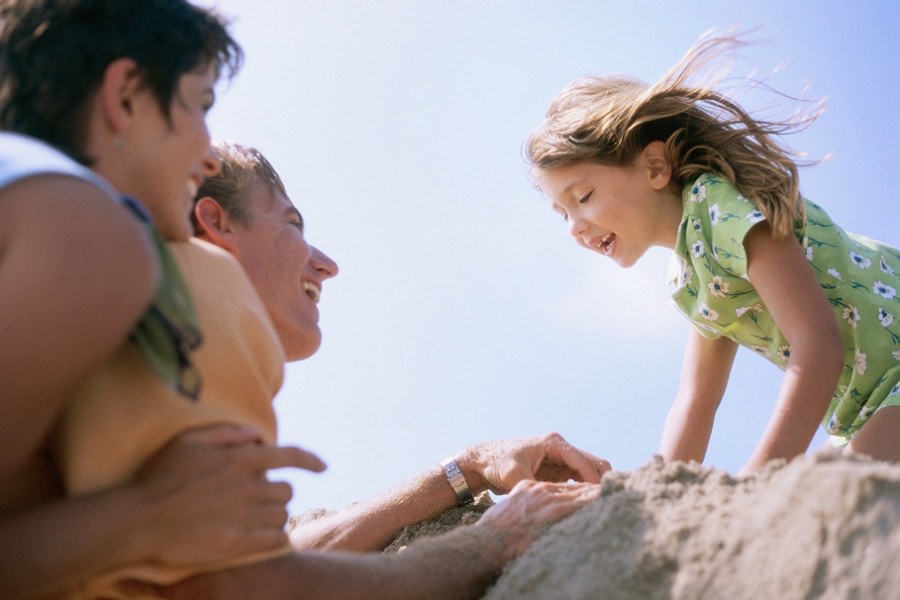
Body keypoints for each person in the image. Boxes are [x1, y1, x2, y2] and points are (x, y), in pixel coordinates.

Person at [0, 1, 314, 597]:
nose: (209, 155)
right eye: (200, 104)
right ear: (126, 95)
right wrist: (148, 516)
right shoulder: (85, 227)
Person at [524, 31, 900, 476]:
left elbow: (817, 345)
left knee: (839, 501)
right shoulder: (691, 279)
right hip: (863, 409)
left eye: (583, 196)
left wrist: (757, 482)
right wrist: (659, 492)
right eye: (561, 214)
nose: (575, 227)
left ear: (655, 167)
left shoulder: (720, 208)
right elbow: (696, 401)